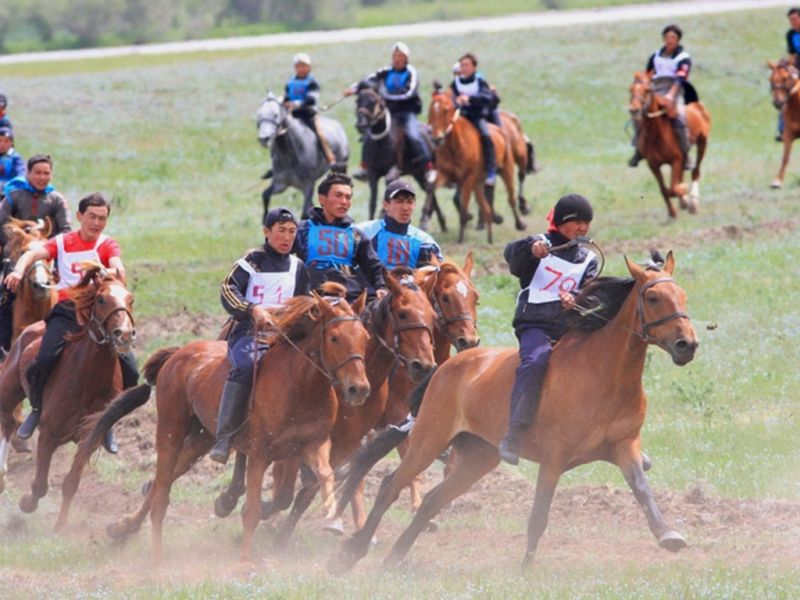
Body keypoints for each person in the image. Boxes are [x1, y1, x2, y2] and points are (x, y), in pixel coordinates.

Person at [6, 193, 138, 453]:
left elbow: (119, 269)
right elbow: (32, 255)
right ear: (79, 217)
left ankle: (107, 422)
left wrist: (105, 270)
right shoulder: (63, 242)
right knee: (42, 360)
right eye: (92, 217)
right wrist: (18, 270)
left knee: (131, 371)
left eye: (102, 218)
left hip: (100, 315)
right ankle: (36, 410)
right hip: (67, 311)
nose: (97, 223)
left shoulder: (107, 245)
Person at [498, 194, 599, 465]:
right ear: (562, 222)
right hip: (535, 324)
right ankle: (513, 434)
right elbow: (512, 255)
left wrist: (576, 298)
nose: (582, 228)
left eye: (586, 222)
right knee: (535, 361)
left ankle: (614, 434)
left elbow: (590, 292)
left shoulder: (588, 258)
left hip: (569, 329)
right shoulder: (539, 244)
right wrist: (531, 250)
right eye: (576, 222)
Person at [210, 207, 312, 464]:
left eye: (291, 232)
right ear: (267, 232)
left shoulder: (298, 266)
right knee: (245, 366)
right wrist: (252, 309)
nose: (287, 237)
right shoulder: (252, 260)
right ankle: (224, 437)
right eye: (281, 231)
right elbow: (228, 288)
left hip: (285, 335)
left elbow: (305, 300)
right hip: (250, 331)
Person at [346, 42, 436, 184]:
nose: (397, 59)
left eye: (400, 56)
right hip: (389, 113)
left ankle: (428, 167)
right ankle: (365, 167)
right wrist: (354, 88)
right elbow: (369, 80)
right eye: (395, 56)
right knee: (369, 134)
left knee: (414, 135)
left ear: (406, 58)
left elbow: (409, 93)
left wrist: (386, 96)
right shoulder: (386, 71)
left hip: (406, 113)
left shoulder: (411, 72)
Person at [292, 172, 387, 303]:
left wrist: (381, 286)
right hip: (310, 300)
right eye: (338, 196)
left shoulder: (356, 236)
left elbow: (374, 267)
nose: (344, 202)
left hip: (347, 301)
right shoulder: (301, 229)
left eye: (348, 197)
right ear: (322, 199)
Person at [630, 24, 694, 169]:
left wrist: (671, 95)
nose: (669, 40)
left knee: (680, 117)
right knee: (637, 113)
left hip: (674, 90)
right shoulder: (656, 55)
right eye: (667, 37)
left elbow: (680, 78)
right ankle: (638, 149)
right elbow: (648, 74)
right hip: (655, 89)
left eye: (673, 37)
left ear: (678, 40)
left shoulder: (683, 58)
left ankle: (685, 153)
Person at [357, 179, 442, 275]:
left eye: (409, 202)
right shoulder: (365, 232)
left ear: (414, 205)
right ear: (385, 205)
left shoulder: (425, 242)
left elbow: (435, 277)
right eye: (399, 201)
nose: (405, 208)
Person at [0, 155, 71, 247]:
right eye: (38, 173)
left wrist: (49, 245)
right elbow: (1, 222)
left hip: (46, 249)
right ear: (28, 173)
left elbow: (66, 229)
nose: (42, 177)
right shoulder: (13, 195)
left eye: (46, 173)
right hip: (15, 246)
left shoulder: (57, 199)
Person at [451, 53, 498, 186]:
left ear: (474, 67)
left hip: (476, 117)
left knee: (486, 136)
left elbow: (486, 97)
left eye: (467, 65)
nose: (464, 68)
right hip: (461, 117)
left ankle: (491, 170)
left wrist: (470, 99)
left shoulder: (479, 81)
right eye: (462, 65)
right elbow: (450, 99)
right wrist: (456, 100)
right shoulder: (455, 83)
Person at [284, 52, 336, 167]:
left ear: (309, 67)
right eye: (298, 66)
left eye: (303, 66)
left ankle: (329, 157)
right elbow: (287, 96)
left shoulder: (312, 82)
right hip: (292, 115)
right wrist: (285, 102)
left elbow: (311, 99)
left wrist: (297, 104)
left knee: (319, 133)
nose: (301, 69)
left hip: (308, 114)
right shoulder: (290, 82)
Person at [778, 8, 800, 141]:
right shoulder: (790, 35)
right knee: (785, 92)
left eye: (794, 19)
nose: (792, 22)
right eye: (790, 20)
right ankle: (782, 128)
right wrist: (787, 65)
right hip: (798, 67)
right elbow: (792, 55)